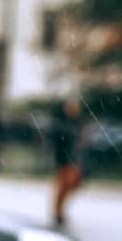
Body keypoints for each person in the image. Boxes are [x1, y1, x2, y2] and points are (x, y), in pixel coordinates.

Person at [50, 96, 86, 227]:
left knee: (72, 185)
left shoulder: (77, 123)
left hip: (74, 160)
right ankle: (58, 212)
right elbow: (59, 143)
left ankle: (59, 211)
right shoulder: (62, 124)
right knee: (64, 186)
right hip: (65, 160)